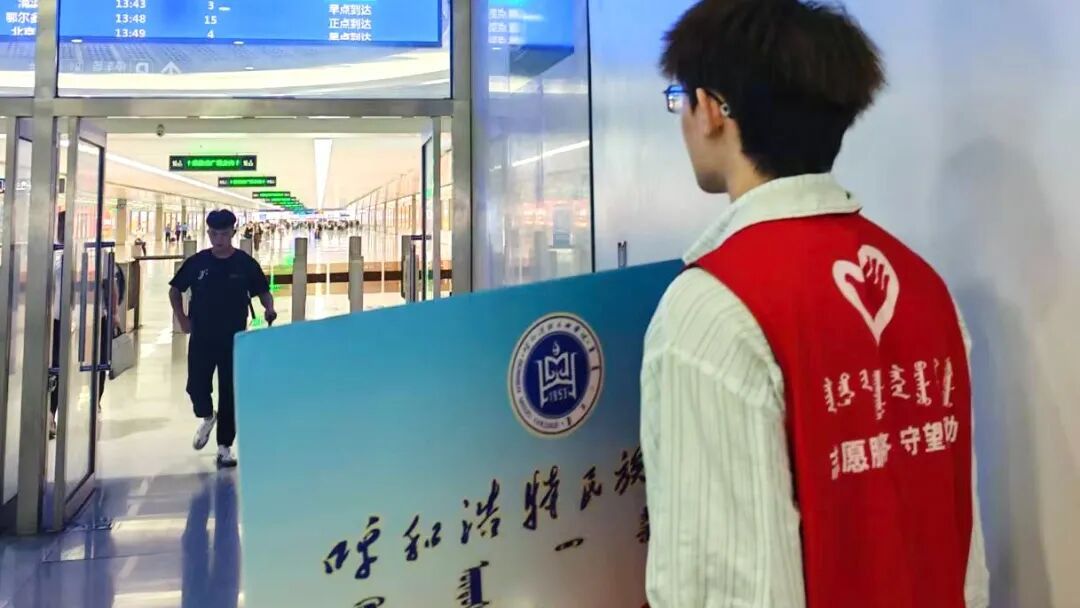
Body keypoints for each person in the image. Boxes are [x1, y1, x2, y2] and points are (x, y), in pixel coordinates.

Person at [641, 1, 989, 607]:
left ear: (713, 110)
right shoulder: (925, 289)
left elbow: (728, 589)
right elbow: (965, 547)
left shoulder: (711, 310)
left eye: (681, 99)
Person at [169, 209, 277, 468]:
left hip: (234, 338)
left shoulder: (244, 264)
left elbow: (263, 290)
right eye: (214, 234)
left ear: (233, 233)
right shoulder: (198, 263)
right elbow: (175, 290)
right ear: (208, 233)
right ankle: (207, 416)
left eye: (224, 234)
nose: (219, 239)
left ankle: (224, 447)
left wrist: (269, 308)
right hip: (202, 336)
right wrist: (182, 319)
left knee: (229, 392)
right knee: (196, 386)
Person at [50, 211, 120, 438]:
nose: (63, 229)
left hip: (93, 316)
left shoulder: (95, 251)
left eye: (67, 225)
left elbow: (110, 285)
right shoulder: (54, 252)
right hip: (60, 317)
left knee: (95, 363)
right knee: (57, 365)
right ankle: (51, 414)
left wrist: (114, 313)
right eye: (61, 225)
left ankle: (94, 403)